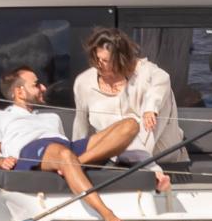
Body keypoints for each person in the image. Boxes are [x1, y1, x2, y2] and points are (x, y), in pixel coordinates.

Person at [0, 64, 143, 221]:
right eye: (36, 85)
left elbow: (64, 149)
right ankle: (105, 212)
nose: (43, 88)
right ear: (19, 92)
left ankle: (75, 163)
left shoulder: (52, 117)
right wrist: (2, 162)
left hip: (64, 149)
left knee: (130, 124)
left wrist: (71, 160)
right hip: (32, 151)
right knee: (64, 154)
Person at [72, 29, 182, 189]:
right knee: (119, 127)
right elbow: (81, 124)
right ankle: (151, 169)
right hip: (114, 149)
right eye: (96, 58)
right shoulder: (84, 82)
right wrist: (74, 154)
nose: (99, 64)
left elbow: (162, 78)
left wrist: (150, 109)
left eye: (105, 60)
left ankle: (146, 165)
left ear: (120, 58)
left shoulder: (144, 71)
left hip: (157, 147)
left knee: (156, 96)